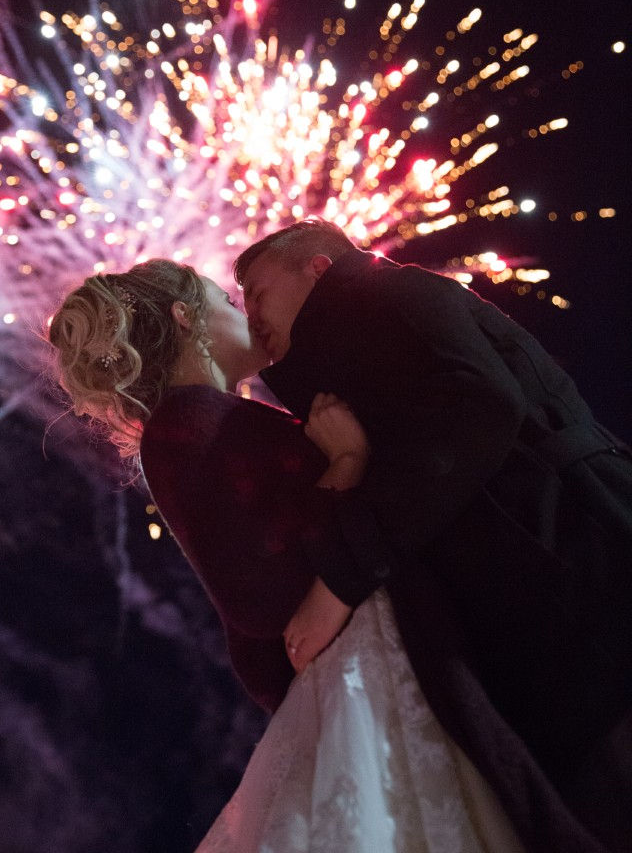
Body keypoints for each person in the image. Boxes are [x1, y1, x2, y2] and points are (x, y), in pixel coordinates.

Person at [48, 259, 602, 852]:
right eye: (229, 303)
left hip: (373, 650)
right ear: (187, 319)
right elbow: (256, 591)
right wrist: (345, 465)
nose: (248, 316)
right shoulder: (186, 423)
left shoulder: (215, 418)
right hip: (369, 665)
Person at [234, 217, 632, 853]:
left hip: (580, 583)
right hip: (573, 574)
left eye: (254, 289)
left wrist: (340, 577)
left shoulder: (374, 299)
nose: (247, 310)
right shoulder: (377, 315)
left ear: (318, 265)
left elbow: (478, 405)